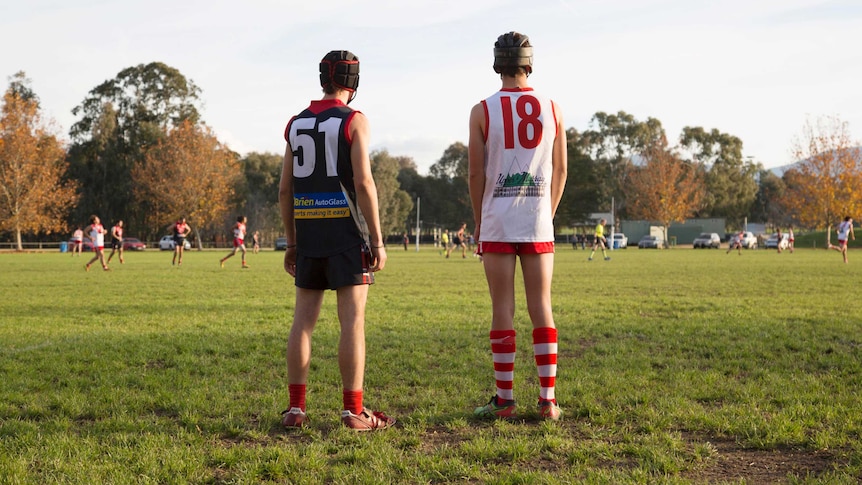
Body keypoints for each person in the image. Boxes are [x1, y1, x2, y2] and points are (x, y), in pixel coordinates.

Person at [278, 49, 394, 431]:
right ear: (353, 82)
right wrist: (377, 240)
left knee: (303, 323)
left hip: (309, 234)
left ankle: (296, 409)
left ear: (322, 79)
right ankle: (353, 411)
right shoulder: (354, 121)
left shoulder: (295, 124)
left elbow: (285, 189)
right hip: (347, 235)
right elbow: (363, 183)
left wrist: (292, 242)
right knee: (352, 323)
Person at [468, 31, 567, 421]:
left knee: (502, 309)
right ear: (529, 62)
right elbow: (560, 171)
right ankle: (547, 401)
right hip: (538, 221)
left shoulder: (481, 110)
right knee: (542, 306)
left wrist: (481, 221)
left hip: (497, 221)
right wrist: (548, 212)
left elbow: (476, 174)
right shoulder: (553, 108)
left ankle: (505, 400)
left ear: (498, 64)